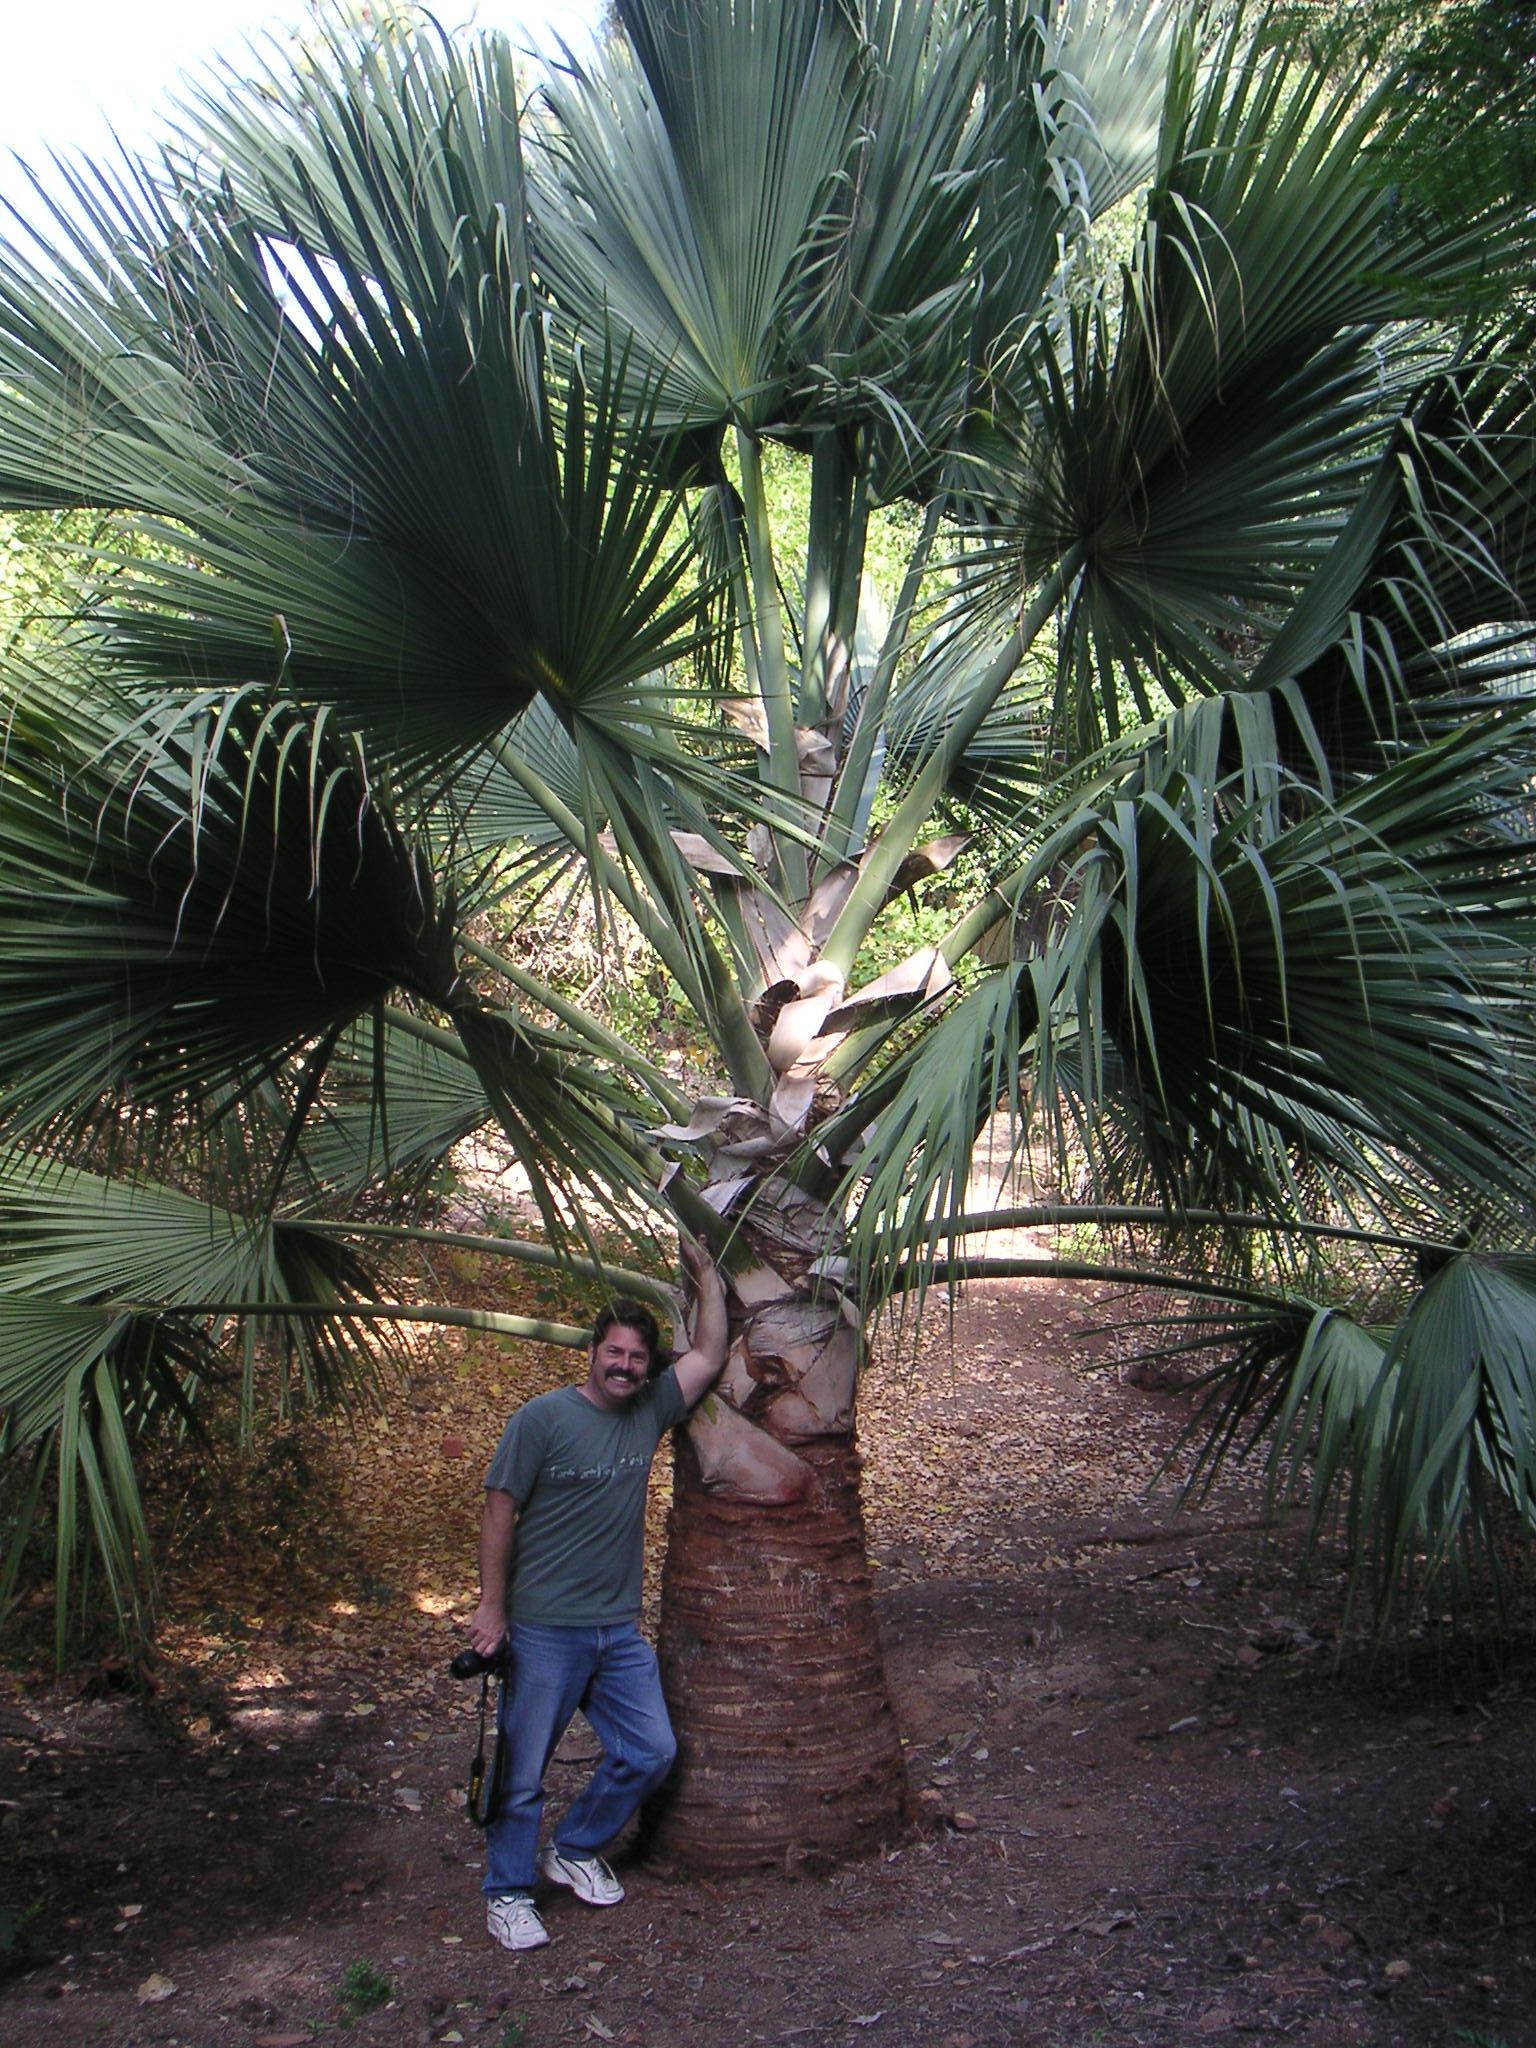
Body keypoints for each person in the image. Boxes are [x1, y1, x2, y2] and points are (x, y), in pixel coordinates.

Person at [466, 1240, 728, 1952]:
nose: (624, 1366)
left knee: (650, 1750)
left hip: (616, 1630)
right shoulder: (542, 1420)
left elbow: (708, 1354)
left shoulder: (649, 1410)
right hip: (544, 1629)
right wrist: (492, 1605)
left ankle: (575, 1846)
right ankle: (508, 1893)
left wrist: (707, 1275)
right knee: (522, 1772)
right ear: (592, 1352)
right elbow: (499, 1506)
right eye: (614, 1352)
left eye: (638, 1357)